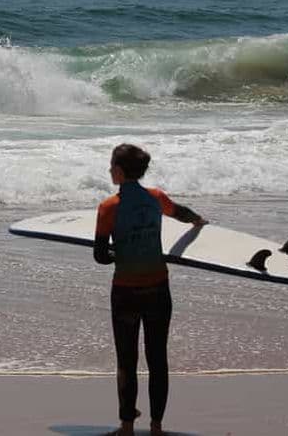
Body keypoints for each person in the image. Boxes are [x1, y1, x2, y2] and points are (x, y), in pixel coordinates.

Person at [94, 144, 207, 436]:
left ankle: (127, 427)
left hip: (126, 293)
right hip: (158, 288)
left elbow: (100, 255)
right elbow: (181, 213)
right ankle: (157, 427)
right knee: (158, 359)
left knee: (127, 361)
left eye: (111, 166)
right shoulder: (156, 198)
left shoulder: (108, 207)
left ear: (118, 171)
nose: (109, 170)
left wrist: (121, 253)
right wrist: (199, 221)